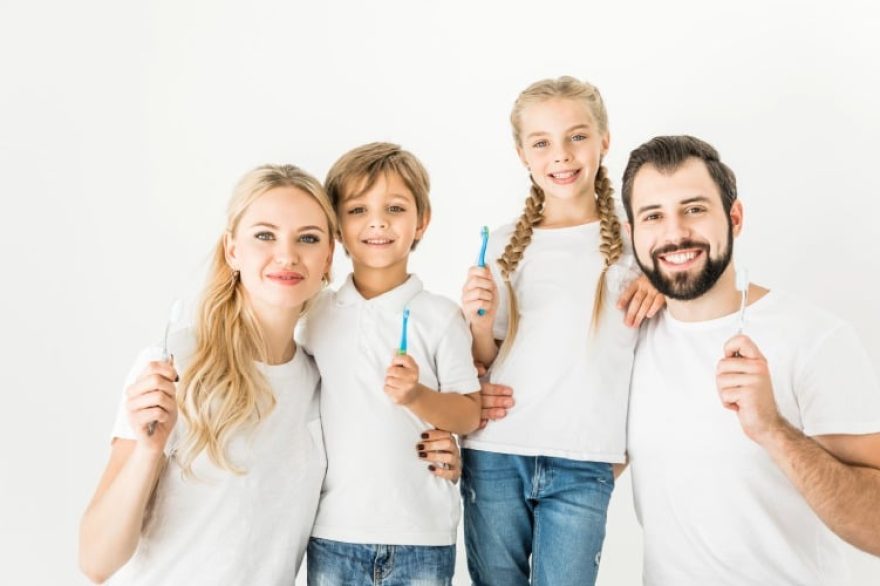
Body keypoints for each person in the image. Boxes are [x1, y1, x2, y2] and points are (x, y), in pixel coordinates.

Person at [78, 164, 461, 584]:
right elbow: (96, 561)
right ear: (232, 250)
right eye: (264, 235)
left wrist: (431, 451)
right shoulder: (175, 365)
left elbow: (374, 448)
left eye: (308, 238)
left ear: (328, 259)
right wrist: (147, 452)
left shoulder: (320, 379)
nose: (287, 255)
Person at [620, 135, 880, 584]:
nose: (675, 232)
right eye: (653, 216)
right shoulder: (628, 340)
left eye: (695, 209)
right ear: (633, 234)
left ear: (734, 218)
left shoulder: (815, 338)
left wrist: (772, 430)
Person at [458, 76, 662, 586]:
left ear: (604, 140)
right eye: (542, 142)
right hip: (496, 453)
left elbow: (695, 293)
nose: (562, 156)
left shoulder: (641, 236)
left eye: (577, 136)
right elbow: (489, 353)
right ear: (522, 154)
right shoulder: (505, 242)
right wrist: (478, 324)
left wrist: (666, 287)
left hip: (584, 458)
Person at [299, 142, 482, 586]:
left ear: (422, 221)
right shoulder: (313, 316)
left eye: (395, 208)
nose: (377, 222)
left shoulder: (440, 316)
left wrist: (418, 396)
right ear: (336, 227)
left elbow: (469, 413)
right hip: (333, 529)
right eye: (358, 209)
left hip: (422, 534)